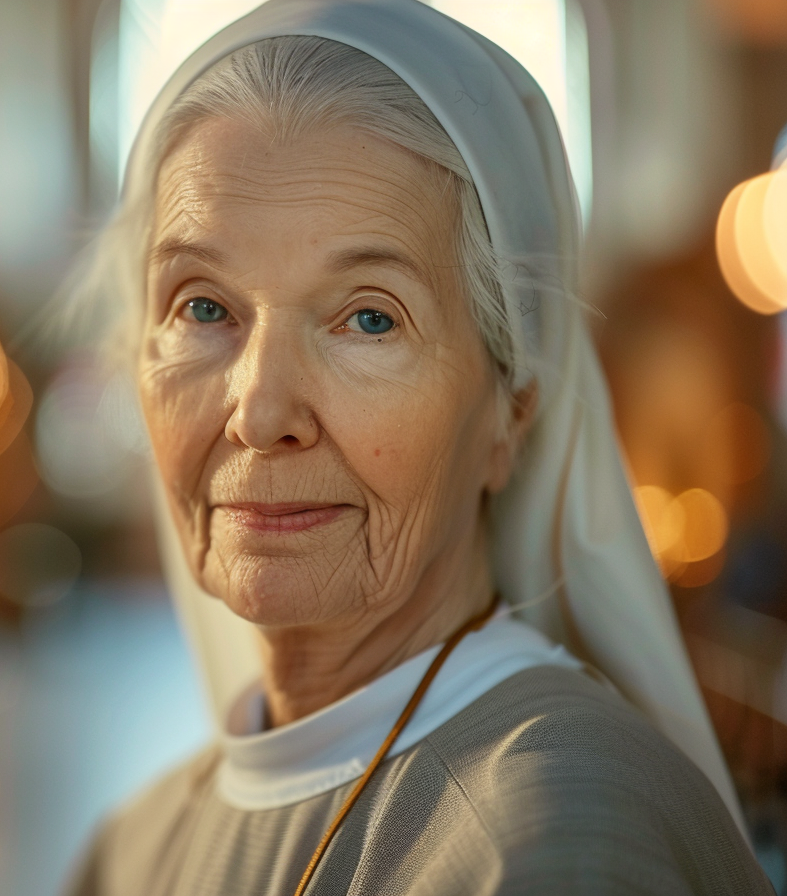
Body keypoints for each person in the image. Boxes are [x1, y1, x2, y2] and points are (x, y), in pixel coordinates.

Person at [63, 1, 771, 893]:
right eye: (204, 307)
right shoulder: (134, 847)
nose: (260, 410)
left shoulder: (561, 834)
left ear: (509, 417)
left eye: (368, 318)